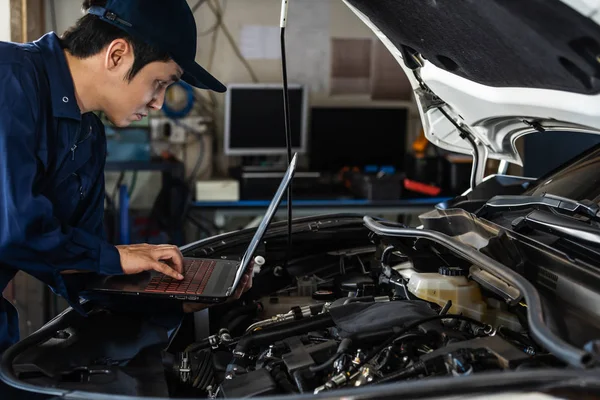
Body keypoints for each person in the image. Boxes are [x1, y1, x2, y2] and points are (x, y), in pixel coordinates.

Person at [0, 0, 251, 358]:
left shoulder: (87, 135)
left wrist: (176, 300)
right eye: (160, 83)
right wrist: (115, 257)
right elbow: (15, 230)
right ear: (117, 55)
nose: (158, 103)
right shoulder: (9, 79)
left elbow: (82, 267)